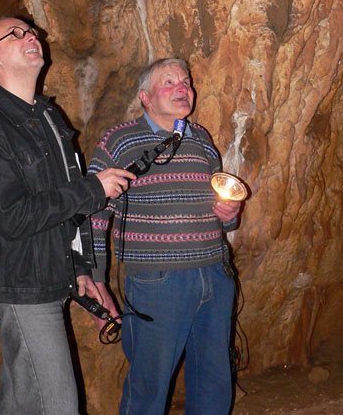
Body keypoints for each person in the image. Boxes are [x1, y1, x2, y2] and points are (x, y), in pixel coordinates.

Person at [0, 17, 133, 415]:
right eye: (15, 34)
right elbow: (12, 217)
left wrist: (80, 268)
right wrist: (92, 189)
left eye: (31, 31)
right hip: (19, 286)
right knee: (58, 406)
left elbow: (61, 209)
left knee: (21, 401)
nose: (30, 36)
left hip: (47, 277)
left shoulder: (48, 118)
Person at [87, 58, 242, 415]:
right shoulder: (120, 140)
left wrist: (230, 216)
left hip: (215, 275)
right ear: (146, 97)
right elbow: (93, 213)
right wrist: (95, 281)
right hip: (158, 282)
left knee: (213, 381)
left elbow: (222, 211)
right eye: (168, 82)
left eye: (186, 82)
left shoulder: (202, 138)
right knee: (149, 387)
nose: (182, 88)